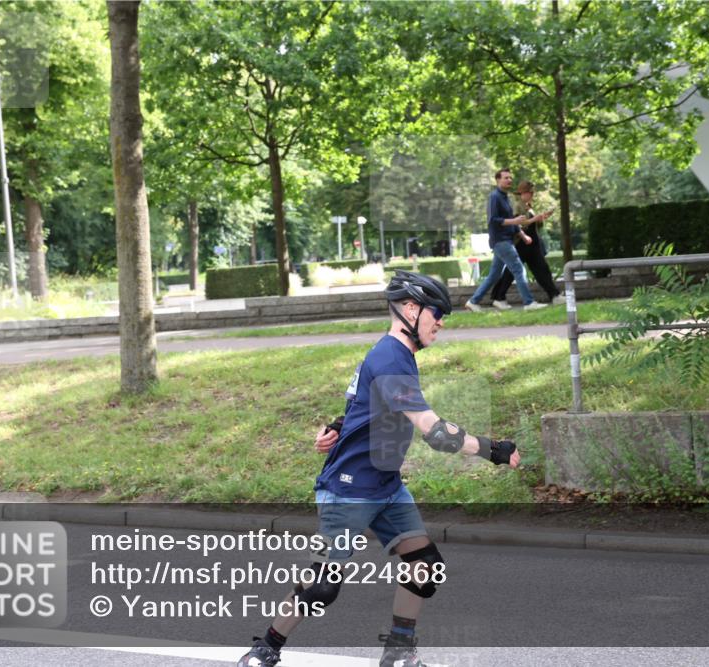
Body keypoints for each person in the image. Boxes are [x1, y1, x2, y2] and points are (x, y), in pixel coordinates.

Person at [238, 270, 521, 667]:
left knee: (426, 566)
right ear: (410, 308)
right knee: (323, 586)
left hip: (386, 486)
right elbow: (436, 433)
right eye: (436, 312)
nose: (441, 321)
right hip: (349, 490)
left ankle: (399, 654)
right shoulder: (390, 357)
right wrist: (493, 449)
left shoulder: (393, 354)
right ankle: (263, 650)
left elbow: (357, 405)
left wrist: (336, 428)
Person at [464, 169, 547, 312]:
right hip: (500, 241)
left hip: (506, 240)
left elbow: (514, 223)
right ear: (498, 180)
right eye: (505, 178)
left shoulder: (506, 198)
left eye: (510, 178)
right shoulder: (494, 197)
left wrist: (523, 236)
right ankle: (529, 302)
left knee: (494, 275)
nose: (509, 180)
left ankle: (473, 301)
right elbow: (493, 220)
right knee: (519, 269)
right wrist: (513, 220)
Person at [490, 180, 565, 309]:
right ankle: (498, 296)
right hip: (522, 243)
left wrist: (541, 219)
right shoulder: (517, 206)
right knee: (512, 271)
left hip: (532, 244)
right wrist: (535, 219)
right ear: (523, 193)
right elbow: (519, 224)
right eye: (530, 192)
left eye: (532, 192)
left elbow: (533, 224)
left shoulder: (528, 205)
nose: (532, 195)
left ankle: (554, 295)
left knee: (541, 269)